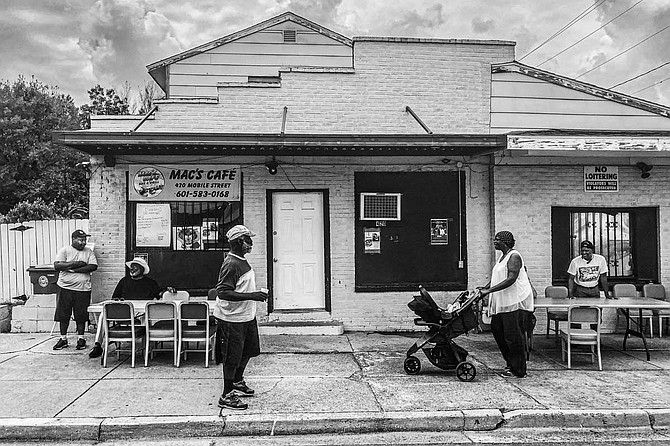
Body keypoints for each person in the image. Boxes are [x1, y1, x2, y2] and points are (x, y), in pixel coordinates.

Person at [215, 225, 269, 411]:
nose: (251, 243)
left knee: (247, 351)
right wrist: (253, 296)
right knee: (232, 357)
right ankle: (227, 395)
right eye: (248, 239)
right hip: (232, 319)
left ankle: (237, 381)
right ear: (239, 241)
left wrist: (253, 296)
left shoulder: (241, 261)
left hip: (245, 316)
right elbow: (223, 293)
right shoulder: (231, 264)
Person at [88, 257, 168, 358]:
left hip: (141, 314)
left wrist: (167, 291)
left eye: (135, 267)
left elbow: (160, 294)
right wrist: (118, 301)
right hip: (124, 312)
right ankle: (97, 345)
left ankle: (146, 347)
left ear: (142, 270)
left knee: (146, 315)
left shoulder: (150, 283)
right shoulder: (124, 281)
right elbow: (114, 298)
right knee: (104, 314)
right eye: (131, 267)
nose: (132, 269)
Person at [478, 231, 533, 378]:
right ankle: (510, 362)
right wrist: (485, 289)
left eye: (497, 240)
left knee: (513, 336)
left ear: (505, 241)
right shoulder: (502, 257)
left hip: (514, 301)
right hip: (503, 301)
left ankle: (519, 369)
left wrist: (489, 291)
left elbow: (511, 279)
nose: (494, 242)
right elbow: (497, 278)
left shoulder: (514, 256)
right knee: (498, 330)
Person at [52, 229, 98, 351]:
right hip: (65, 287)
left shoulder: (88, 252)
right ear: (73, 239)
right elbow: (57, 265)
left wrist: (73, 269)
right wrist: (76, 264)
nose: (83, 242)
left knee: (81, 314)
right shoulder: (65, 250)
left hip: (83, 289)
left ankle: (81, 338)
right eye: (80, 240)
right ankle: (63, 338)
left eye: (84, 240)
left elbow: (93, 266)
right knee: (63, 314)